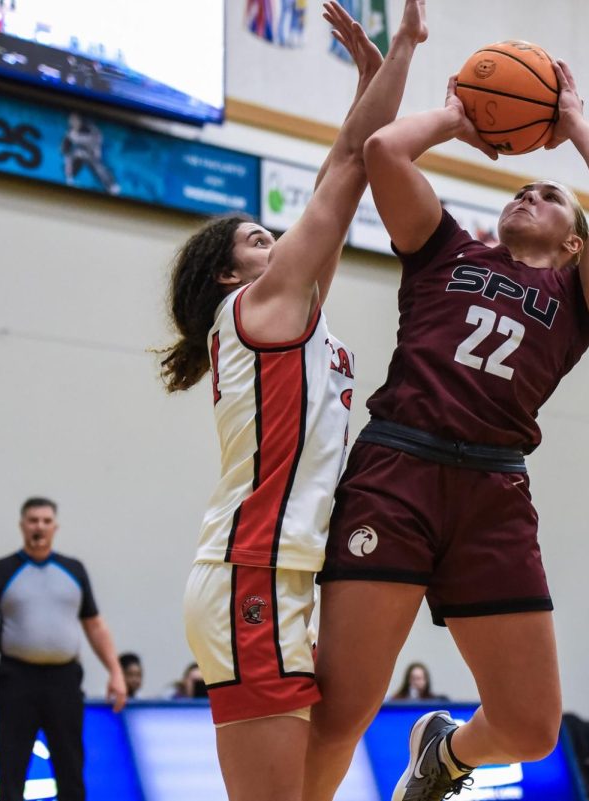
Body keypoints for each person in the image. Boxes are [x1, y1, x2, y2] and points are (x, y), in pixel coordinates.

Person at [303, 47, 589, 801]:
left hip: (493, 488)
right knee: (343, 706)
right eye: (522, 187)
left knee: (531, 727)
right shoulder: (444, 248)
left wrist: (571, 123)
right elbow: (384, 148)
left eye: (549, 195)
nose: (529, 192)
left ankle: (446, 754)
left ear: (572, 243)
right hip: (399, 470)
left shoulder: (578, 295)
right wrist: (460, 119)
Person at [161, 4, 426, 800]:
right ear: (226, 273)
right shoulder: (255, 312)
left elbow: (335, 180)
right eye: (253, 239)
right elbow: (349, 169)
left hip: (280, 573)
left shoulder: (290, 311)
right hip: (252, 571)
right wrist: (404, 55)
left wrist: (368, 85)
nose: (272, 240)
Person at [0, 497, 127, 801]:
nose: (39, 527)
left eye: (45, 521)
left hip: (64, 681)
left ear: (55, 527)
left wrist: (115, 672)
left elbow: (95, 626)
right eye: (33, 521)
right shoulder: (0, 571)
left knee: (70, 767)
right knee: (12, 767)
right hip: (17, 679)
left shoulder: (73, 570)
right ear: (22, 526)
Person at [61, 112, 120, 195]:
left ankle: (111, 186)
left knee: (97, 166)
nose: (73, 122)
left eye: (75, 120)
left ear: (81, 120)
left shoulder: (91, 129)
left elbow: (95, 140)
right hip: (80, 154)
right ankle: (70, 180)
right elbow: (64, 148)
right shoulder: (70, 131)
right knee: (70, 157)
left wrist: (76, 138)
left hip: (94, 154)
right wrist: (68, 147)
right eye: (71, 120)